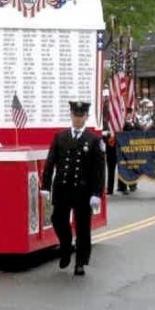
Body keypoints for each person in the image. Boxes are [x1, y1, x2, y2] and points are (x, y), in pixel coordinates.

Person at [41, 101, 105, 276]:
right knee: (57, 219)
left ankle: (81, 262)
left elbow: (99, 169)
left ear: (86, 117)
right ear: (71, 116)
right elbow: (50, 163)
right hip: (62, 188)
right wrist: (45, 185)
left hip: (83, 190)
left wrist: (96, 193)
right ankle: (66, 246)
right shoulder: (60, 137)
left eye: (81, 116)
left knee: (83, 227)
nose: (78, 119)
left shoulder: (93, 140)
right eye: (75, 115)